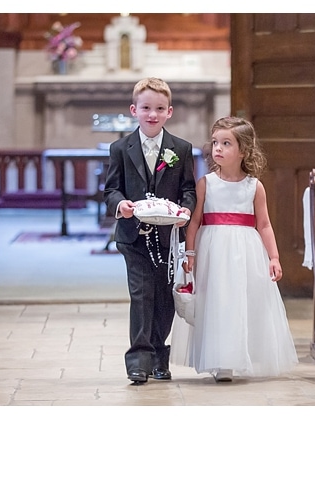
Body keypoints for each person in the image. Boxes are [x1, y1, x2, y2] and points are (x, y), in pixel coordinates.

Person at [176, 116, 297, 382]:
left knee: (240, 302)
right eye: (215, 142)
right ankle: (221, 362)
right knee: (217, 301)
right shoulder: (206, 183)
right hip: (213, 250)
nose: (217, 148)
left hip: (245, 251)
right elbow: (195, 221)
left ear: (244, 150)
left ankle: (239, 355)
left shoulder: (254, 186)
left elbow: (264, 224)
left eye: (226, 143)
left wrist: (273, 257)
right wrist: (190, 253)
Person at [103, 77, 197, 385]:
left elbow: (188, 190)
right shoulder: (120, 148)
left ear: (169, 111)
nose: (152, 114)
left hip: (168, 239)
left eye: (159, 108)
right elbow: (111, 189)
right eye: (146, 108)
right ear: (134, 110)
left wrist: (185, 210)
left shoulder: (180, 149)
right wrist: (121, 205)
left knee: (164, 298)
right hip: (134, 237)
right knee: (141, 295)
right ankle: (138, 360)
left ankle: (160, 355)